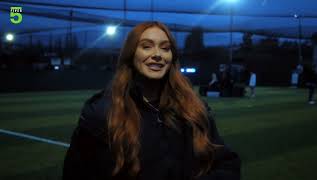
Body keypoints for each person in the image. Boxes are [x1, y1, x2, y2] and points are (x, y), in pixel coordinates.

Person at [63, 21, 241, 180]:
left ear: (172, 58)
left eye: (165, 48)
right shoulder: (101, 112)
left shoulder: (193, 108)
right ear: (131, 54)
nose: (158, 54)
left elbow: (228, 165)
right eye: (146, 46)